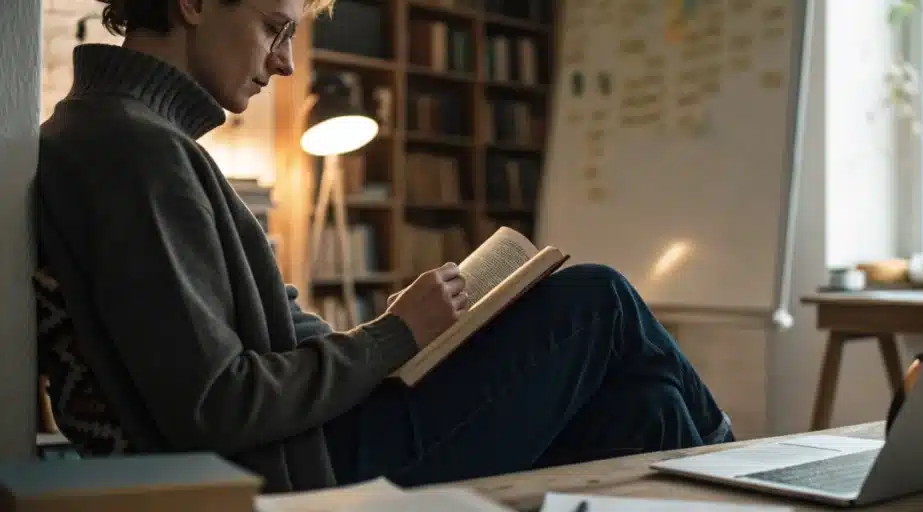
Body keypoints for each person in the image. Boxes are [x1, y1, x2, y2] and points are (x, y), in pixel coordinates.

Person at [33, 0, 734, 494]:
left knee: (648, 414)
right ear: (192, 2)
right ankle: (752, 468)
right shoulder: (131, 151)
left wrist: (413, 338)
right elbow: (217, 402)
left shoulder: (131, 140)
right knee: (597, 301)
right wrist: (395, 336)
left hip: (317, 437)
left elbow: (244, 357)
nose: (283, 63)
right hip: (307, 467)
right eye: (274, 29)